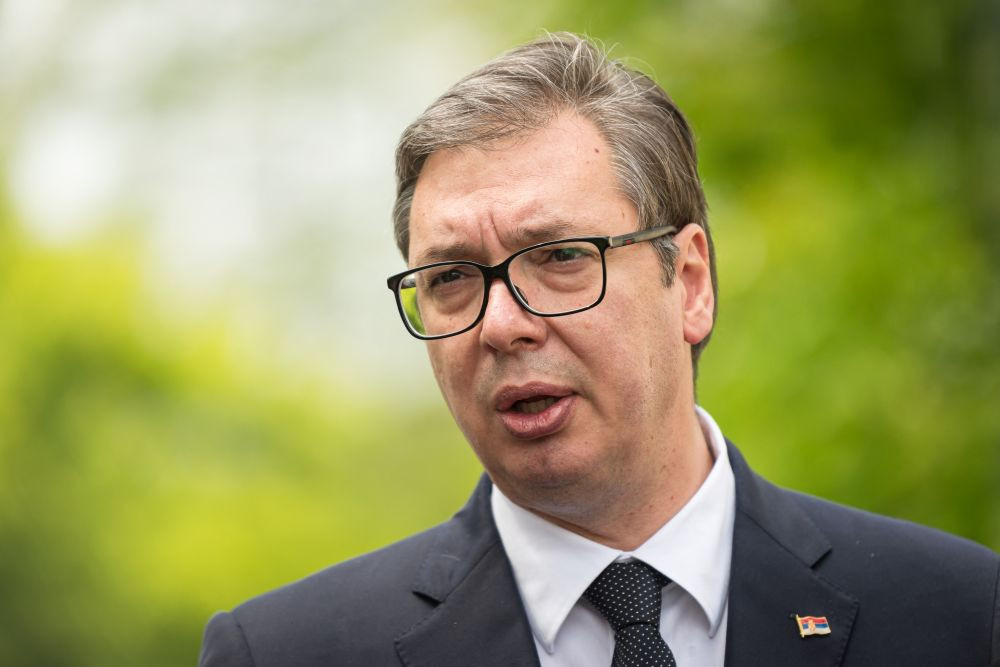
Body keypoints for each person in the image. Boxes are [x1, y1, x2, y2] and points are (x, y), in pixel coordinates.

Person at [199, 33, 999, 667]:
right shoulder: (286, 650)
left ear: (689, 283)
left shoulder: (960, 614)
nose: (500, 324)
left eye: (559, 257)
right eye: (451, 278)